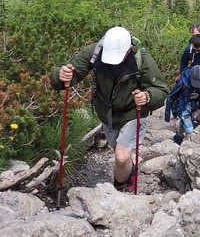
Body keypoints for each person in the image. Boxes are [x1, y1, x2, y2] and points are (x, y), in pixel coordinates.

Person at [50, 26, 169, 192]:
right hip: (107, 113)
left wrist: (147, 97)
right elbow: (71, 74)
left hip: (132, 112)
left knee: (121, 156)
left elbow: (161, 90)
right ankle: (131, 170)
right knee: (119, 153)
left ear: (128, 49)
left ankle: (118, 190)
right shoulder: (95, 52)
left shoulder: (141, 58)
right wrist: (60, 74)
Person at [164, 65, 200, 144]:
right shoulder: (182, 82)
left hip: (194, 104)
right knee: (188, 126)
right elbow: (171, 97)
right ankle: (187, 144)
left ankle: (179, 136)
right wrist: (168, 114)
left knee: (185, 121)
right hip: (182, 105)